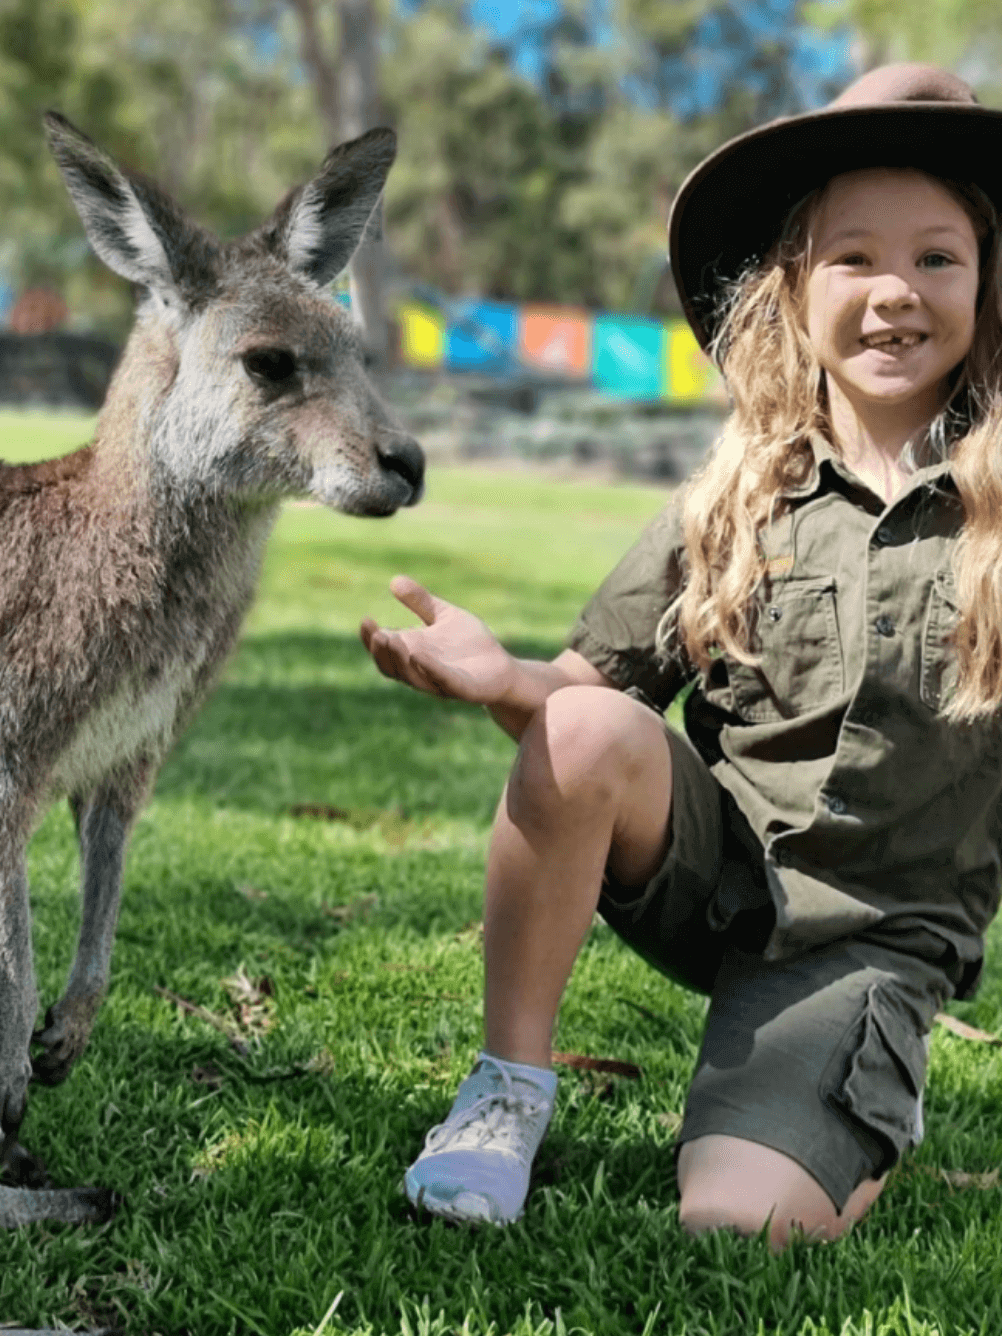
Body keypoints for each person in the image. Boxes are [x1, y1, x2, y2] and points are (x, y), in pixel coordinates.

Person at [359, 63, 1002, 1249]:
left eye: (937, 257)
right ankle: (506, 1091)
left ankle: (840, 1088)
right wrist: (507, 681)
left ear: (988, 282)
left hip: (868, 936)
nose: (894, 293)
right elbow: (584, 707)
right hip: (718, 871)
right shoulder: (737, 493)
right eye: (855, 257)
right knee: (585, 726)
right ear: (795, 291)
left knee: (735, 1226)